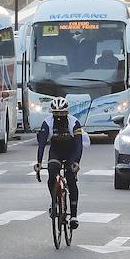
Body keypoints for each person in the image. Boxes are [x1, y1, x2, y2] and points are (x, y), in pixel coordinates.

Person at [35, 96, 85, 230]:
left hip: (71, 151)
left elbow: (79, 145)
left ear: (67, 113)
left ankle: (73, 216)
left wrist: (76, 162)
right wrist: (39, 162)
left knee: (70, 177)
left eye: (62, 113)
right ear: (52, 113)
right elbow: (41, 144)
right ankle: (54, 201)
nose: (59, 116)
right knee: (52, 171)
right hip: (56, 151)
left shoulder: (74, 122)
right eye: (56, 113)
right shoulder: (47, 122)